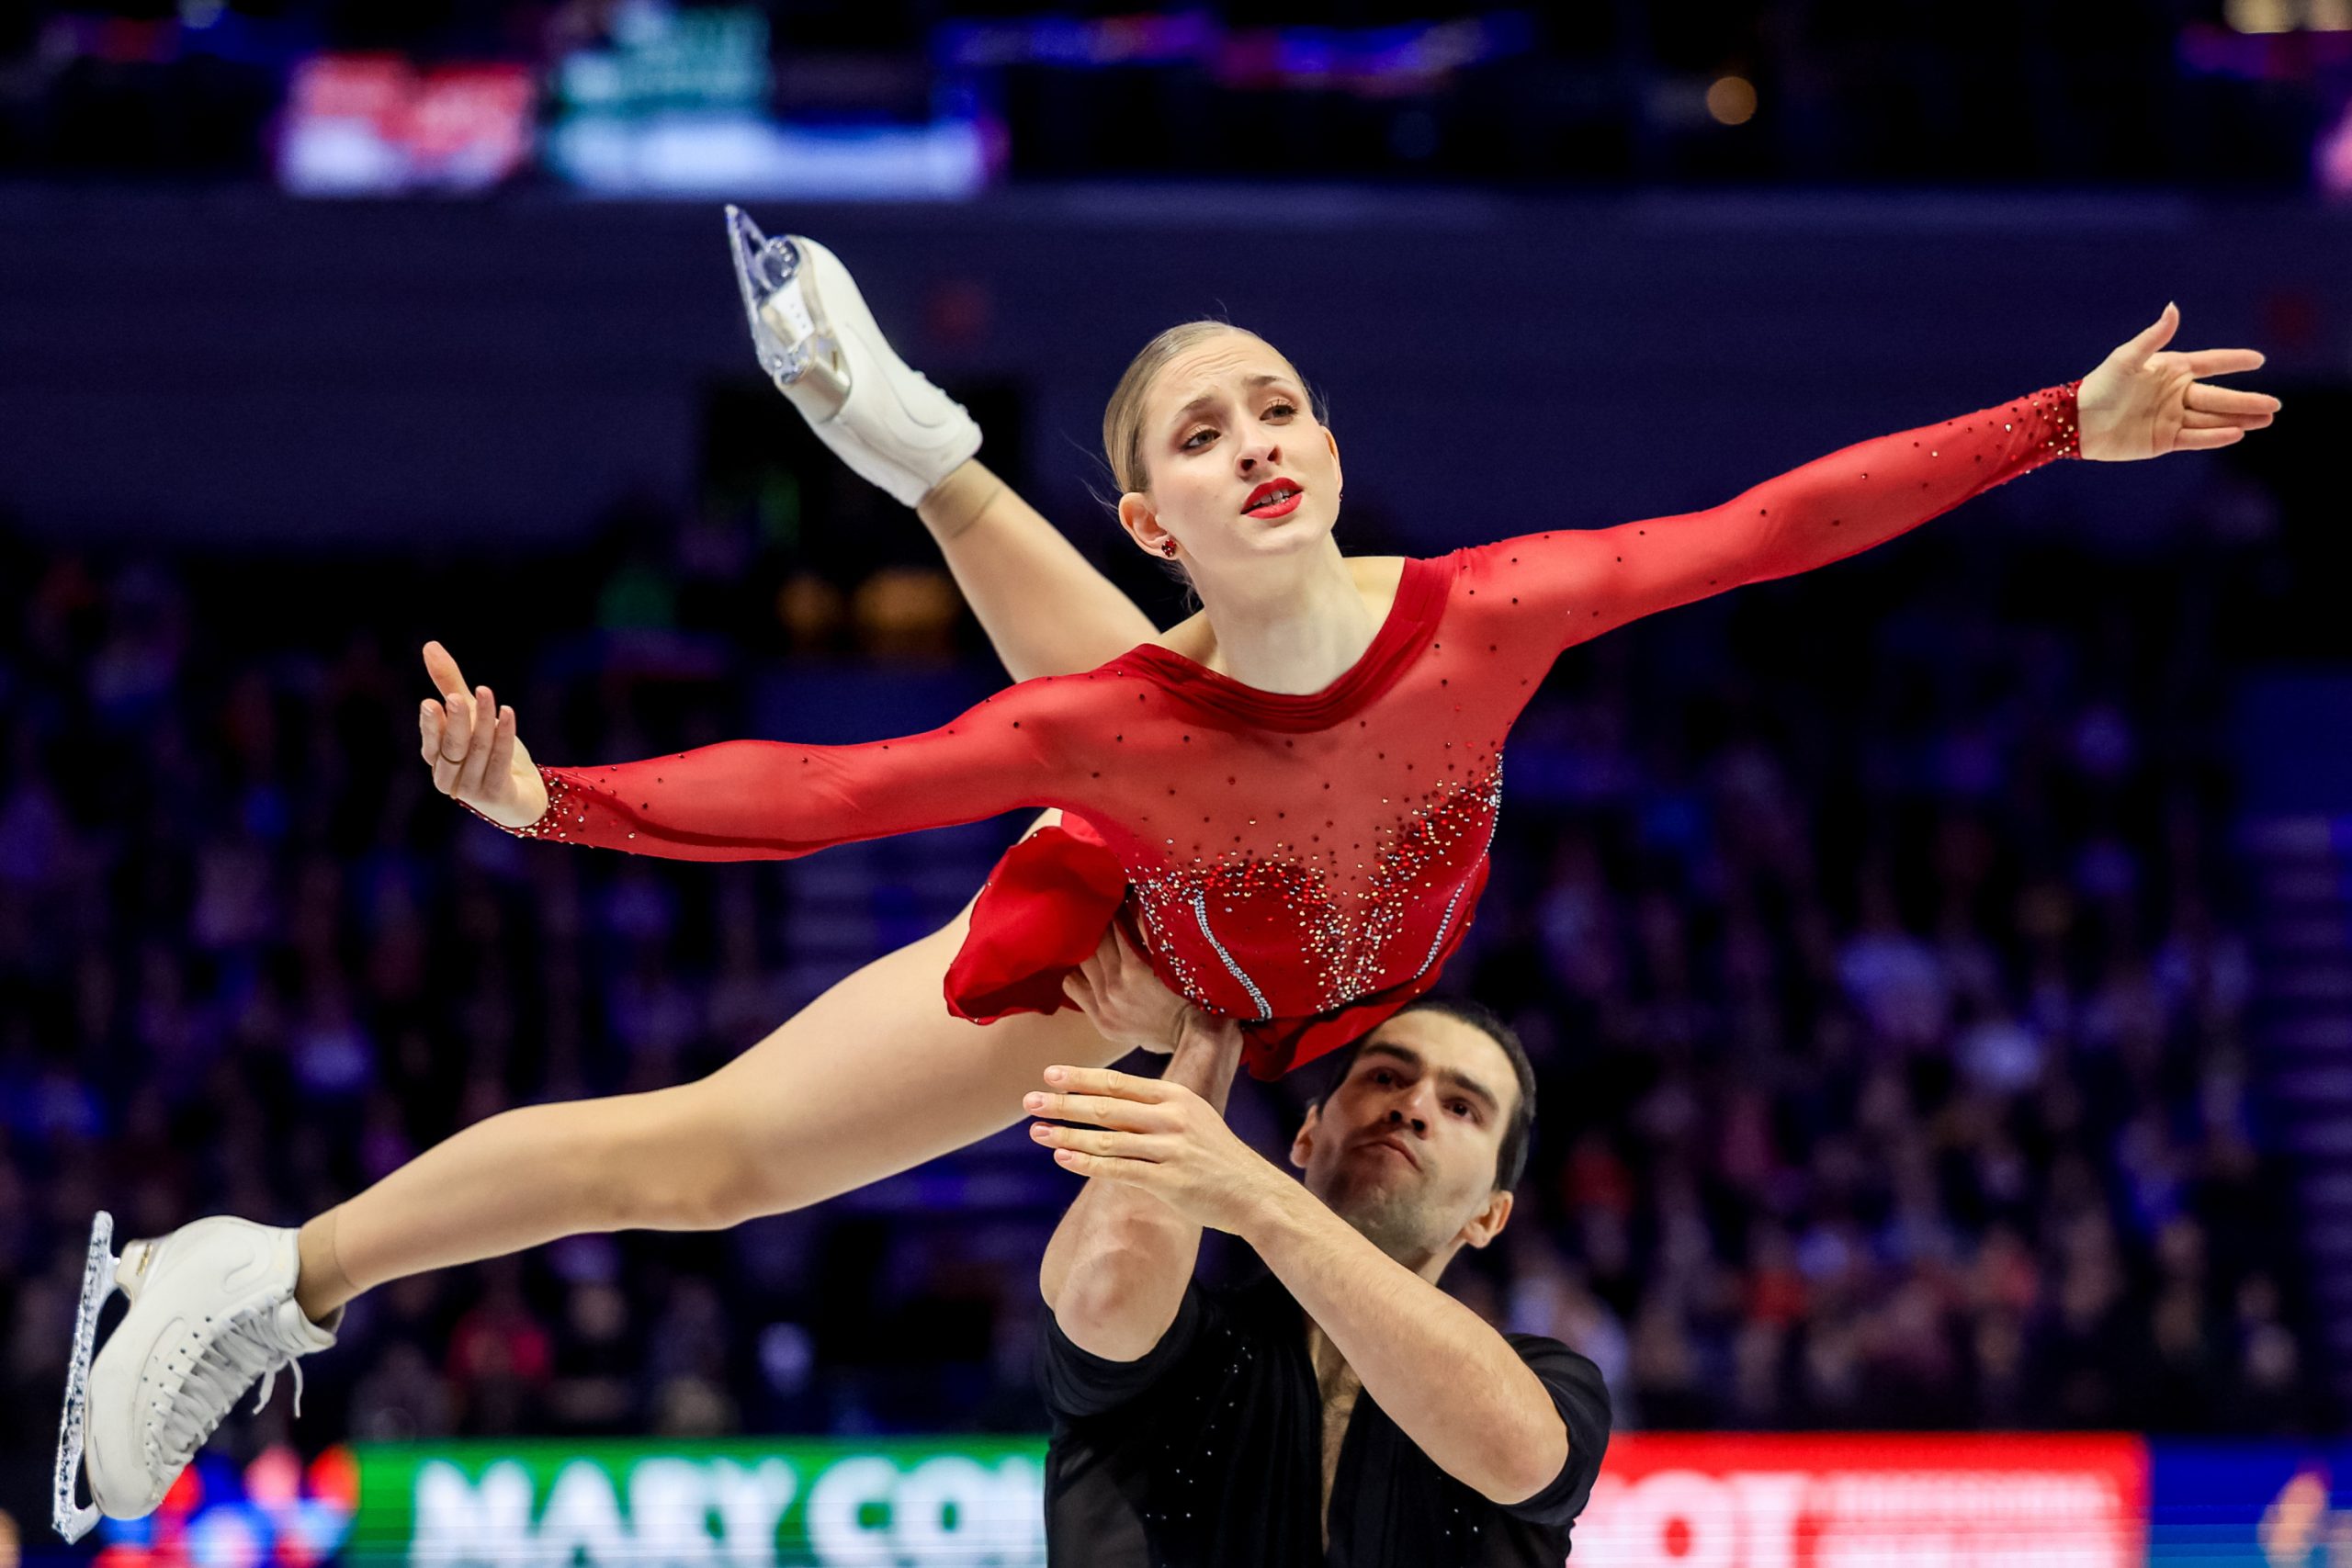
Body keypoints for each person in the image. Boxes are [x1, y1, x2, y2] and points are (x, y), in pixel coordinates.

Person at [55, 212, 2278, 1536]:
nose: (1256, 436)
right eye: (1196, 434)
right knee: (714, 1160)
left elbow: (1768, 523)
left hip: (1317, 975)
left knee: (1180, 743)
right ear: (1149, 509)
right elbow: (837, 794)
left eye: (1276, 400)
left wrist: (2048, 425)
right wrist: (561, 806)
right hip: (1130, 953)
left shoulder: (1489, 605)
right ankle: (248, 1273)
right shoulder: (1097, 723)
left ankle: (917, 443)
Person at [1034, 924, 1610, 1565]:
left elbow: (1518, 1455)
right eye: (1387, 1075)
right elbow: (1102, 1299)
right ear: (1307, 1135)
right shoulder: (1182, 1342)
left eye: (1461, 1107)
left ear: (1490, 1215)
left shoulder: (1551, 1380)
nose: (1414, 1105)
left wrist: (1259, 1196)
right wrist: (1212, 1031)